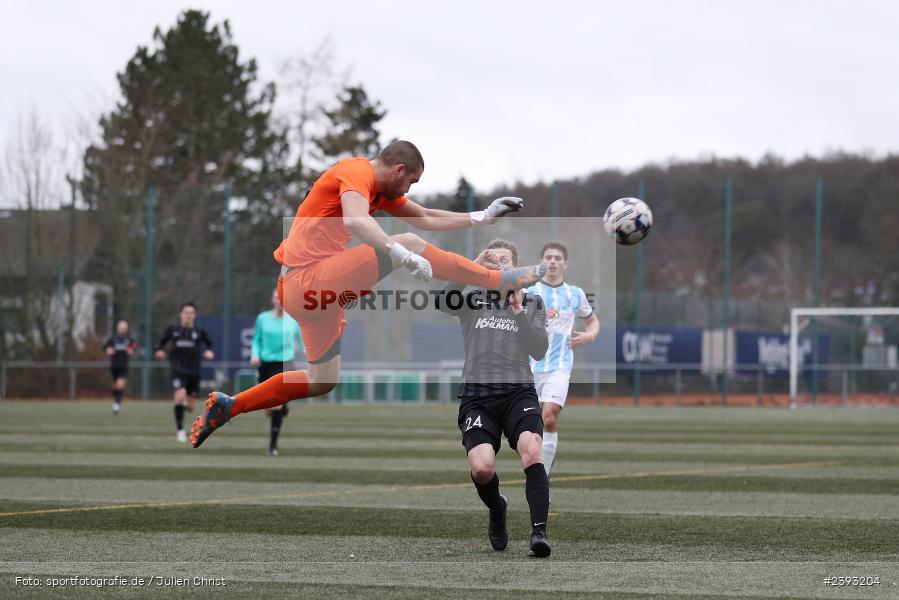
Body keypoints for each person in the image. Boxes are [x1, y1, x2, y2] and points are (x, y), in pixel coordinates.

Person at [190, 140, 546, 448]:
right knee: (408, 242)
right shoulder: (356, 171)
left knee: (322, 380)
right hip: (306, 281)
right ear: (399, 169)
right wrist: (402, 254)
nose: (409, 190)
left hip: (318, 297)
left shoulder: (379, 189)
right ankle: (495, 279)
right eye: (411, 181)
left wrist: (481, 217)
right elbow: (357, 222)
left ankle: (229, 405)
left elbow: (423, 216)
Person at [440, 239, 552, 558]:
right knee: (482, 469)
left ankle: (538, 534)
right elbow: (443, 302)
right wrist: (472, 266)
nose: (499, 263)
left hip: (518, 392)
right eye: (494, 259)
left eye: (506, 260)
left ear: (516, 267)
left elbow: (539, 350)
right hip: (478, 397)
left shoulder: (532, 303)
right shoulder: (472, 298)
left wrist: (516, 309)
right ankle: (497, 507)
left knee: (532, 449)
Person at [526, 242, 600, 477]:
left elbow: (593, 321)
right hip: (528, 366)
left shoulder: (575, 294)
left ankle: (543, 476)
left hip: (560, 365)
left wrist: (589, 335)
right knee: (527, 426)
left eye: (558, 258)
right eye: (548, 257)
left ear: (564, 264)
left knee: (549, 417)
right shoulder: (529, 291)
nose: (553, 261)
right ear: (541, 261)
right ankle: (535, 461)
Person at [250, 287, 304, 456]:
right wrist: (254, 355)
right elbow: (256, 340)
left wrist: (312, 354)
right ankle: (283, 407)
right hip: (265, 365)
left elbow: (303, 341)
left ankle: (272, 446)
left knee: (276, 404)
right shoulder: (263, 319)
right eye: (276, 297)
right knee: (269, 408)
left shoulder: (293, 320)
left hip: (285, 364)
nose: (279, 300)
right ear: (272, 300)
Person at [154, 302, 215, 442]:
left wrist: (210, 351)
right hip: (178, 369)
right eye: (186, 312)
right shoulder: (173, 329)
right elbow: (160, 343)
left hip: (194, 371)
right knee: (180, 396)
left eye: (191, 313)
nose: (188, 315)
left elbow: (209, 343)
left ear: (194, 315)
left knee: (190, 406)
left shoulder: (199, 330)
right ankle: (180, 429)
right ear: (181, 314)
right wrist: (159, 351)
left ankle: (181, 408)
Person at [103, 319, 136, 415]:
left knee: (120, 385)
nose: (123, 329)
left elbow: (134, 346)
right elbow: (105, 346)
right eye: (121, 327)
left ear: (126, 328)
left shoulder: (129, 339)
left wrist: (131, 350)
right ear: (118, 328)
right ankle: (116, 400)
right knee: (116, 386)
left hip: (124, 365)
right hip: (114, 365)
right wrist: (108, 350)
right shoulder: (113, 339)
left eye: (124, 327)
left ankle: (117, 404)